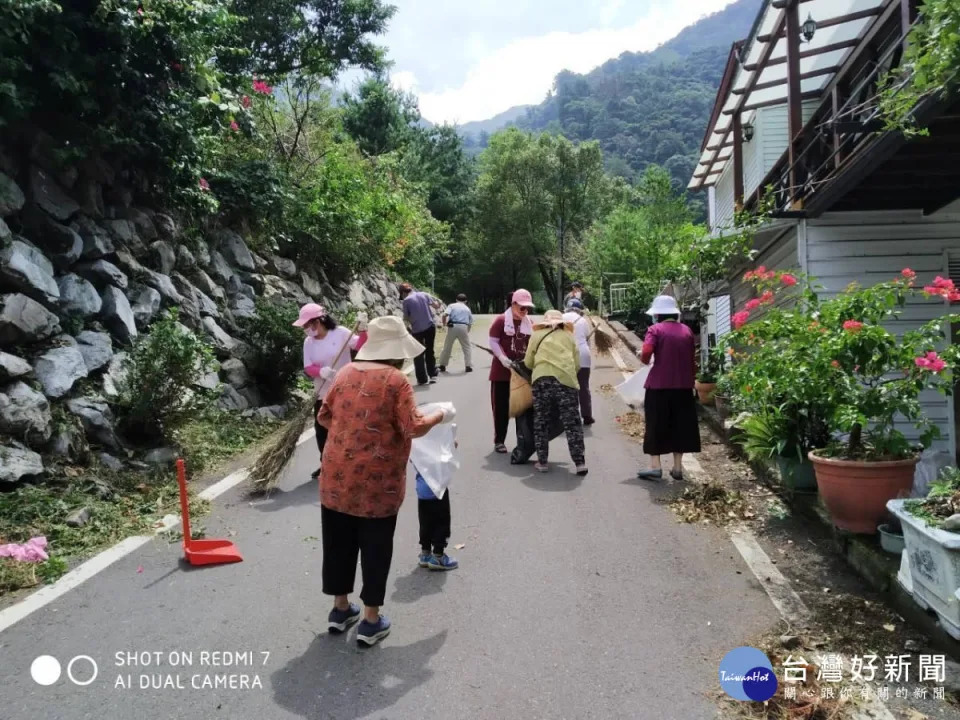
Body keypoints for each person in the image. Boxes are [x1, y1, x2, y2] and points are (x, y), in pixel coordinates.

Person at [317, 315, 454, 646]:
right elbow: (414, 427)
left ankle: (340, 609)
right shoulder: (396, 381)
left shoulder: (345, 372)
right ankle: (371, 621)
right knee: (375, 547)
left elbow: (323, 415)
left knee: (338, 543)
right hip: (378, 486)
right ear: (398, 350)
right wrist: (443, 415)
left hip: (335, 479)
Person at [293, 304, 367, 481]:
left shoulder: (341, 333)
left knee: (347, 427)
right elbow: (307, 367)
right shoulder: (308, 342)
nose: (306, 329)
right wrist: (321, 372)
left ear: (318, 321)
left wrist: (364, 330)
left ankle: (349, 461)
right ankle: (326, 463)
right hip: (323, 391)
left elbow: (360, 345)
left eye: (307, 325)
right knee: (322, 429)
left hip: (347, 389)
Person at [635, 295, 701, 481]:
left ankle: (655, 466)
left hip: (659, 386)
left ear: (657, 314)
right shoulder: (687, 331)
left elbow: (646, 353)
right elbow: (691, 360)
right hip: (683, 386)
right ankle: (678, 467)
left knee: (656, 423)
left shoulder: (655, 330)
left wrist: (643, 356)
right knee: (680, 425)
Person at [525, 309, 588, 475]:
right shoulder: (569, 336)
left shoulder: (537, 335)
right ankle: (579, 462)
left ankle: (542, 461)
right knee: (572, 422)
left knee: (541, 421)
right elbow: (577, 364)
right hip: (565, 381)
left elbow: (528, 362)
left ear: (545, 321)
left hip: (542, 381)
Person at [488, 289, 535, 454]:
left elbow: (533, 345)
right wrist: (502, 358)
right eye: (521, 307)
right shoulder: (501, 320)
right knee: (501, 408)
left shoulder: (530, 323)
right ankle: (499, 441)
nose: (524, 311)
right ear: (513, 304)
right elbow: (493, 341)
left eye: (527, 308)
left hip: (522, 374)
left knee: (522, 409)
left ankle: (522, 442)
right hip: (502, 373)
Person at [416, 469, 458, 571]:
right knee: (441, 521)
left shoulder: (416, 452)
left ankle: (425, 553)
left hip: (422, 489)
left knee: (425, 521)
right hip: (437, 488)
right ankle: (438, 556)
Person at [400, 283, 441, 386]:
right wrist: (439, 302)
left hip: (417, 330)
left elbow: (406, 317)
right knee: (430, 350)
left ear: (403, 292)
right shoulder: (424, 294)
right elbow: (436, 306)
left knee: (418, 354)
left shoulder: (406, 301)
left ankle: (422, 379)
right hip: (430, 327)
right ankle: (432, 375)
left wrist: (410, 325)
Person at [563, 298, 594, 425]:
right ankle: (587, 416)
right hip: (582, 355)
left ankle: (568, 416)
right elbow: (587, 340)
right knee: (583, 386)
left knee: (565, 386)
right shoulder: (582, 320)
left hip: (565, 355)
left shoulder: (560, 317)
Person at [438, 293, 473, 373]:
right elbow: (470, 322)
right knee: (467, 347)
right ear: (466, 301)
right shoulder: (467, 309)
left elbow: (444, 315)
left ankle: (442, 365)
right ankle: (468, 366)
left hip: (453, 326)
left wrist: (444, 325)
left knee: (447, 346)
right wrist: (467, 331)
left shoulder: (452, 306)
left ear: (456, 300)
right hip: (464, 326)